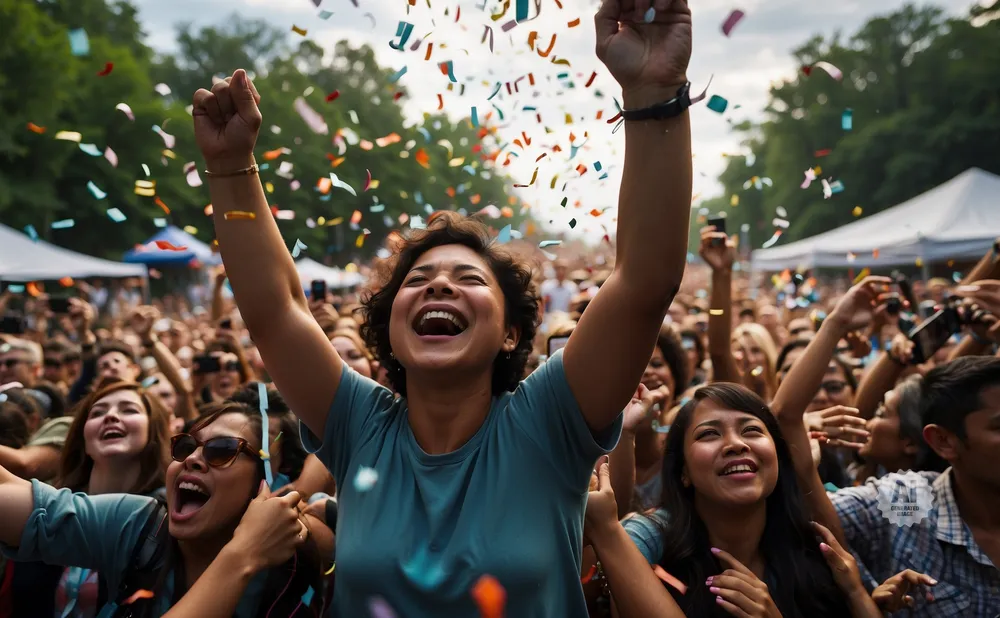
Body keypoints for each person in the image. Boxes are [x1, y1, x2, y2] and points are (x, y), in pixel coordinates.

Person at [193, 0, 694, 612]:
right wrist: (230, 168)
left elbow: (644, 282)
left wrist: (653, 93)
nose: (438, 286)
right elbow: (276, 311)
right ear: (390, 327)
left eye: (467, 278)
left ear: (512, 334)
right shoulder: (359, 427)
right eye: (420, 278)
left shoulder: (549, 424)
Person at [0, 400, 327, 618]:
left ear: (265, 484)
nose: (194, 459)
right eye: (185, 446)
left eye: (221, 450)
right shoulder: (140, 524)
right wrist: (244, 554)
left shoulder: (306, 551)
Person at [588, 384, 878, 617]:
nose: (736, 444)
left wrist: (857, 596)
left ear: (777, 456)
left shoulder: (815, 549)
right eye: (709, 434)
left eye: (751, 430)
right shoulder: (649, 540)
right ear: (683, 472)